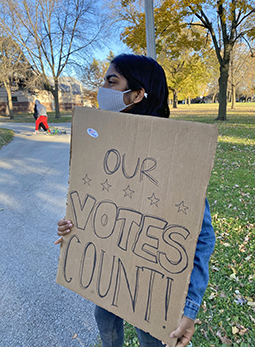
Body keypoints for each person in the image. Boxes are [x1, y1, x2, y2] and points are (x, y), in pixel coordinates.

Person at [55, 54, 215, 347]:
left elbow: (203, 238)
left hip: (151, 285)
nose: (101, 88)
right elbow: (96, 204)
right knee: (104, 321)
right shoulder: (103, 143)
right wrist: (73, 225)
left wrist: (189, 308)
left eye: (111, 81)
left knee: (149, 337)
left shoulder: (174, 153)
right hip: (109, 272)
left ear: (138, 94)